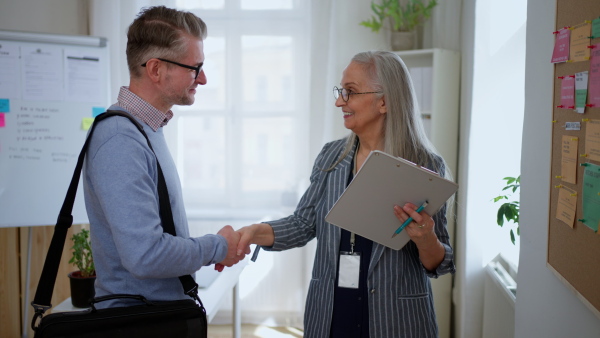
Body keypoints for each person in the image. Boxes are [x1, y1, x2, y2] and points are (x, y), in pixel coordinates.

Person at [237, 50, 455, 337]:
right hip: (332, 311)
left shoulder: (425, 166)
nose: (339, 101)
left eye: (349, 92)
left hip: (397, 319)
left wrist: (425, 238)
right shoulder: (331, 157)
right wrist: (254, 232)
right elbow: (303, 224)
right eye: (341, 91)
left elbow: (441, 263)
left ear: (384, 101)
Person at [83, 6, 246, 308]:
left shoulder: (146, 130)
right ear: (156, 69)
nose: (204, 78)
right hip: (138, 323)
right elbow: (145, 256)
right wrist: (217, 247)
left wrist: (216, 248)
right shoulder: (121, 139)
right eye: (194, 68)